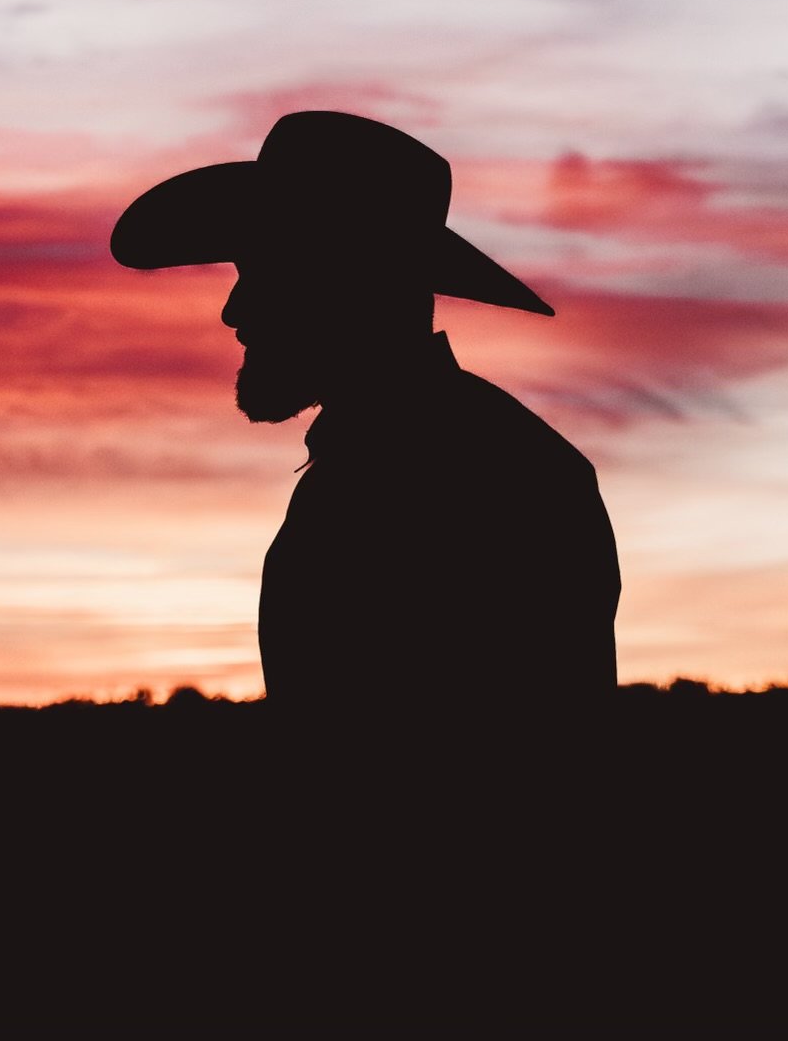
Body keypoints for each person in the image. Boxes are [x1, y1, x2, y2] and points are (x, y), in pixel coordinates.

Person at [110, 111, 618, 722]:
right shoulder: (488, 457)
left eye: (267, 273)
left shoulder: (461, 476)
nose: (234, 310)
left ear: (349, 281)